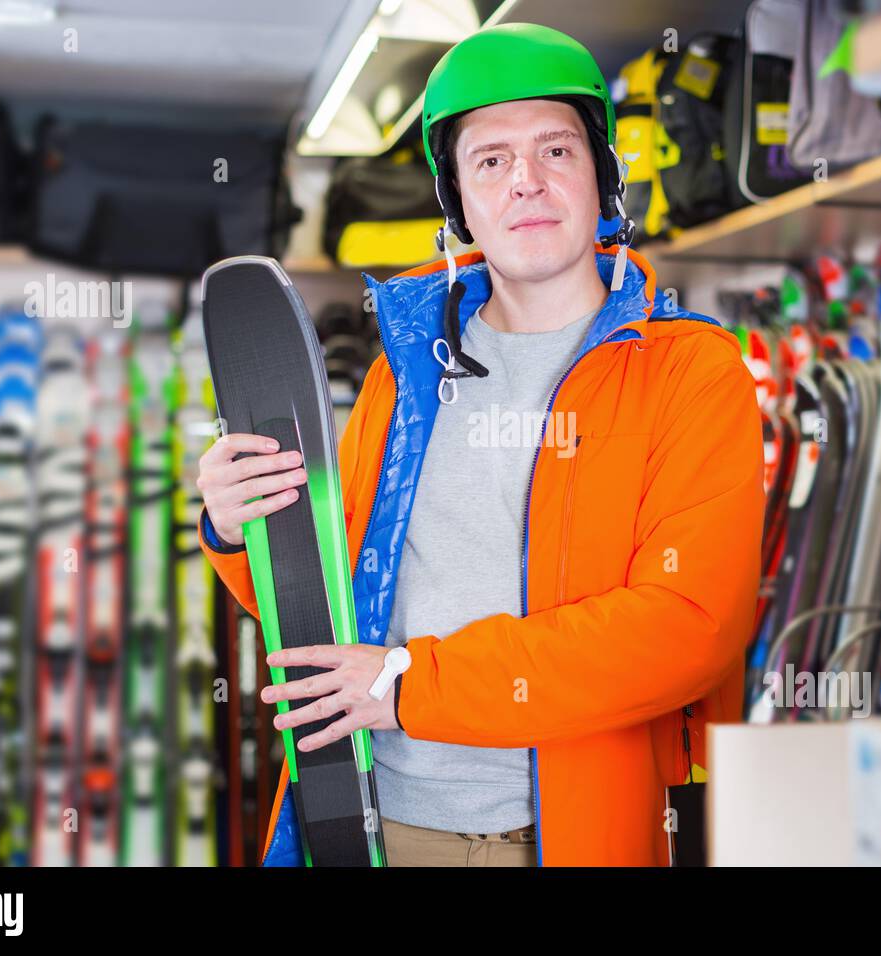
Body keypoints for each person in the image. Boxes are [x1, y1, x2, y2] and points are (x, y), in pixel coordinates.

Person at [196, 22, 763, 866]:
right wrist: (240, 529)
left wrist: (411, 685)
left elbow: (687, 628)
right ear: (457, 197)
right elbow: (335, 593)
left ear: (602, 174)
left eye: (556, 151)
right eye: (491, 160)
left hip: (568, 833)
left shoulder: (691, 372)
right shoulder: (408, 367)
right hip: (379, 820)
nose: (525, 183)